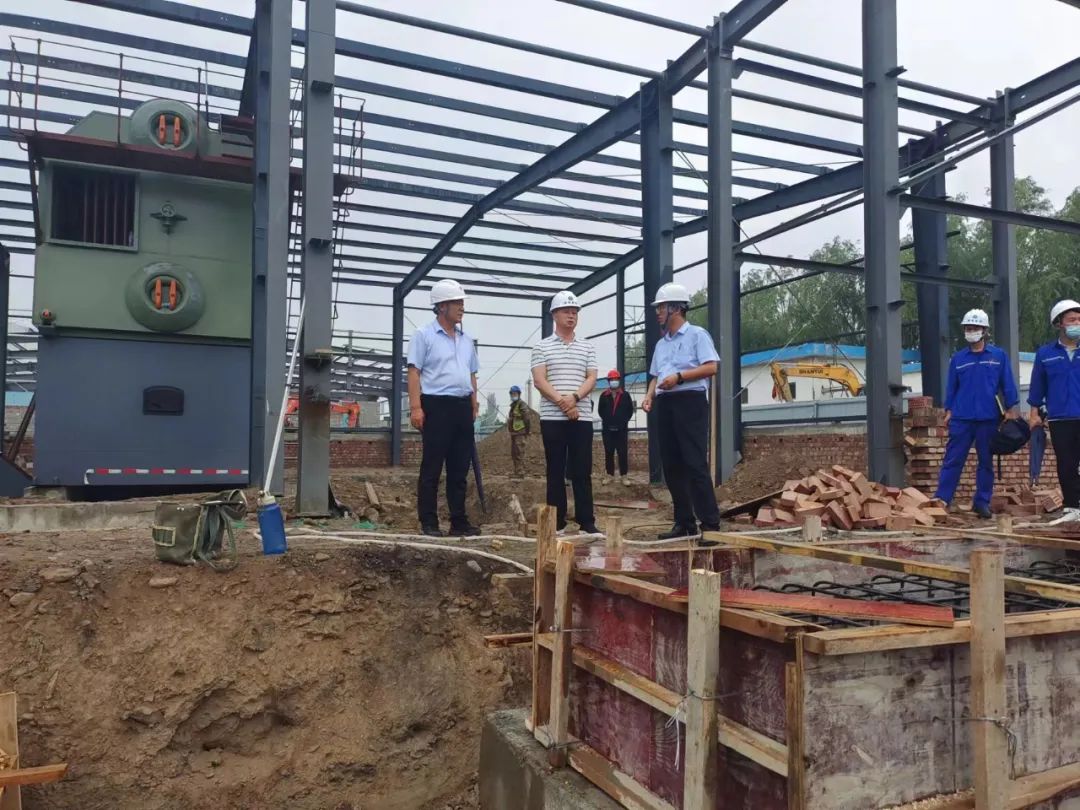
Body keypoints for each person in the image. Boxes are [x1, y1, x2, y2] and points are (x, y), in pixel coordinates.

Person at [641, 282, 721, 540]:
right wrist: (649, 395)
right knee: (672, 465)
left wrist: (679, 377)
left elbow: (711, 367)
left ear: (676, 308)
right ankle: (684, 522)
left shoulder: (697, 335)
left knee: (694, 462)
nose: (657, 312)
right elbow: (656, 376)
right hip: (665, 403)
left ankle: (710, 525)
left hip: (690, 401)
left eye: (661, 307)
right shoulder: (661, 344)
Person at [406, 279, 481, 538]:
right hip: (436, 405)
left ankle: (458, 521)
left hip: (462, 406)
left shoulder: (466, 340)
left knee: (459, 469)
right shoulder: (424, 335)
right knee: (432, 467)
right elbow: (414, 372)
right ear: (441, 306)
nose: (462, 308)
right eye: (456, 303)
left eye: (462, 303)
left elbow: (472, 374)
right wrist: (416, 407)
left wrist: (473, 402)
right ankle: (429, 522)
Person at [932, 309, 1020, 519]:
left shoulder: (998, 356)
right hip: (961, 418)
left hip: (988, 418)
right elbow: (951, 387)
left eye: (975, 328)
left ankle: (982, 502)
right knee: (953, 460)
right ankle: (942, 499)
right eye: (968, 328)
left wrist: (1011, 408)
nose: (971, 332)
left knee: (986, 462)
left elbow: (1007, 383)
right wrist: (948, 410)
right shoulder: (958, 359)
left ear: (984, 331)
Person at [531, 290, 599, 535]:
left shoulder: (587, 347)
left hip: (581, 417)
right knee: (555, 470)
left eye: (574, 312)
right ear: (554, 315)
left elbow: (592, 377)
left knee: (582, 470)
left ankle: (586, 522)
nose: (571, 316)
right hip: (553, 418)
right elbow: (540, 380)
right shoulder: (541, 347)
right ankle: (557, 522)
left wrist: (575, 398)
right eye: (566, 312)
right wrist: (563, 403)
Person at [1028, 299, 1080, 524]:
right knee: (1066, 463)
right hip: (1060, 418)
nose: (1077, 324)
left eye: (1079, 320)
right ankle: (1072, 507)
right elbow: (1037, 386)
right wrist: (1033, 413)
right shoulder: (1045, 354)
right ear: (1059, 323)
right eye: (1072, 320)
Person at [598, 369, 634, 486]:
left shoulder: (625, 395)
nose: (614, 381)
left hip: (621, 430)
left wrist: (622, 422)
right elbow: (600, 411)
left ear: (619, 380)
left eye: (615, 379)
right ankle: (609, 475)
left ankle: (624, 476)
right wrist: (609, 421)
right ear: (608, 381)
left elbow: (630, 411)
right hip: (607, 429)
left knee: (622, 452)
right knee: (608, 452)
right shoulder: (603, 395)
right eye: (611, 379)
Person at [507, 385, 530, 479]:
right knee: (514, 453)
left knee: (519, 452)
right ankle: (517, 471)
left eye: (515, 393)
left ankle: (520, 472)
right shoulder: (513, 405)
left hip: (520, 432)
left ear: (519, 394)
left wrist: (527, 431)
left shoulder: (522, 404)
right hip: (514, 433)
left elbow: (526, 418)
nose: (513, 395)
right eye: (512, 394)